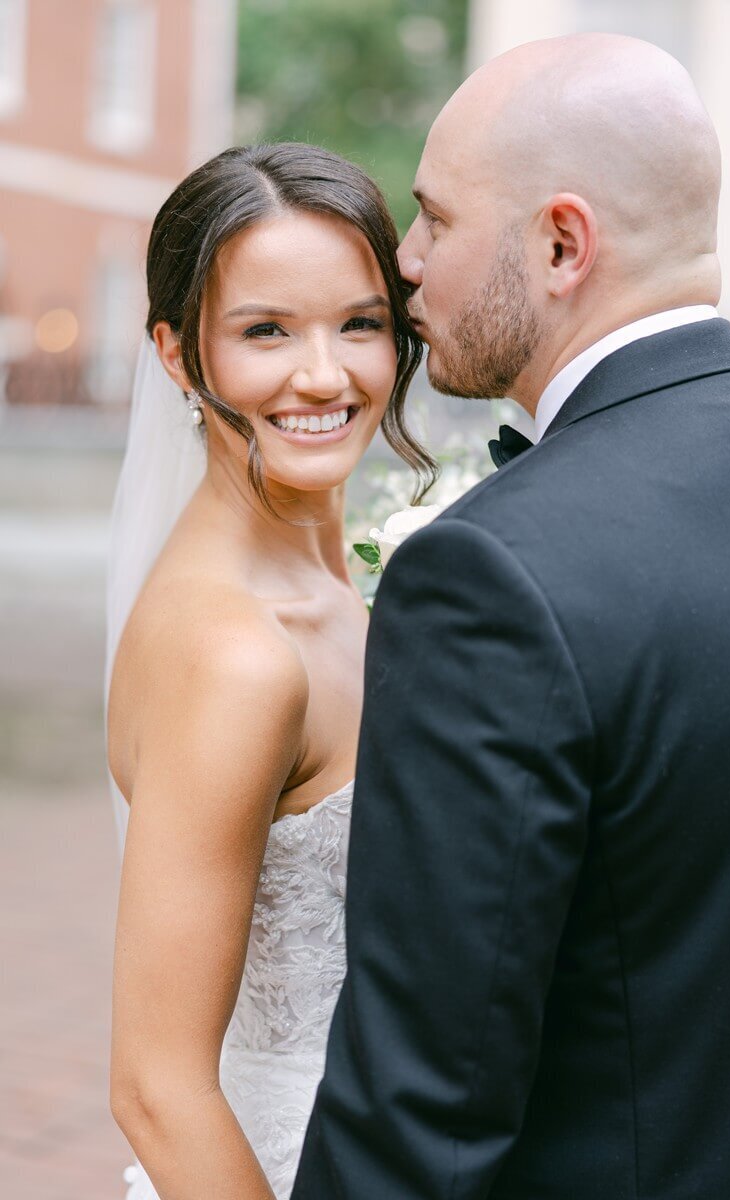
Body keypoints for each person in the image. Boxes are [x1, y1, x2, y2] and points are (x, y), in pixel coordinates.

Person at [292, 33, 730, 1200]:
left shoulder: (492, 574)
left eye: (433, 219)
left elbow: (420, 1103)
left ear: (561, 244)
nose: (404, 262)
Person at [105, 142, 434, 1200]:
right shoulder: (234, 655)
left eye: (360, 323)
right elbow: (156, 1087)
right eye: (264, 332)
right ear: (174, 352)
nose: (325, 375)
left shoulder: (341, 581)